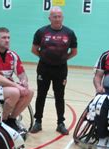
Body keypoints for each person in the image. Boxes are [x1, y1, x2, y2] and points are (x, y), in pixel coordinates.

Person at [30, 6, 78, 135]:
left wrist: (62, 59)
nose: (57, 19)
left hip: (61, 70)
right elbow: (34, 50)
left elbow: (74, 52)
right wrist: (45, 58)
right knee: (41, 95)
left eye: (59, 16)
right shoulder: (41, 32)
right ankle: (38, 122)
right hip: (44, 68)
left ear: (62, 18)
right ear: (49, 18)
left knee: (59, 96)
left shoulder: (69, 33)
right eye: (54, 16)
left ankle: (60, 123)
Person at [0, 27, 33, 132]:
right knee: (15, 92)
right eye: (4, 37)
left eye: (8, 37)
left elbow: (21, 73)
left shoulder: (13, 55)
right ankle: (3, 122)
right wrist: (17, 86)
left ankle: (11, 120)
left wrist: (24, 81)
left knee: (29, 92)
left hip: (8, 87)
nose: (7, 40)